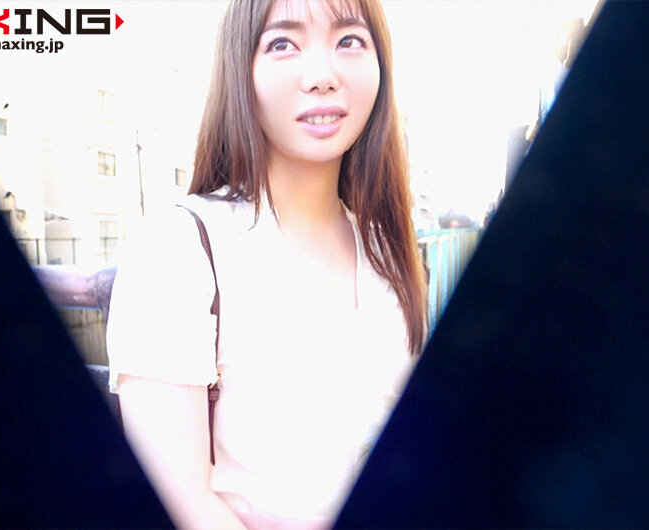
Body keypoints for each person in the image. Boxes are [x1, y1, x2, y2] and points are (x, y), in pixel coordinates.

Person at [107, 0, 427, 528]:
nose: (322, 75)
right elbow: (181, 500)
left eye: (350, 40)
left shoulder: (388, 254)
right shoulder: (179, 246)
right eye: (283, 43)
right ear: (241, 72)